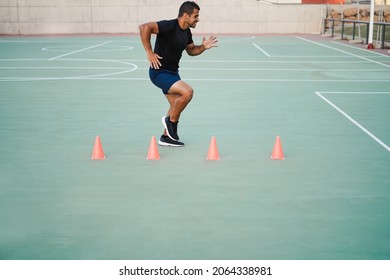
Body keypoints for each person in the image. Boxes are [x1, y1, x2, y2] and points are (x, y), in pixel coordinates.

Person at [139, 1, 218, 147]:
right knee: (187, 92)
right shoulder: (169, 26)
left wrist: (203, 47)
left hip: (173, 73)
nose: (198, 19)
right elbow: (144, 27)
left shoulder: (187, 32)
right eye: (196, 16)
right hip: (159, 72)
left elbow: (191, 51)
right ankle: (171, 122)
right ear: (186, 16)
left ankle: (165, 137)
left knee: (176, 104)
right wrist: (149, 52)